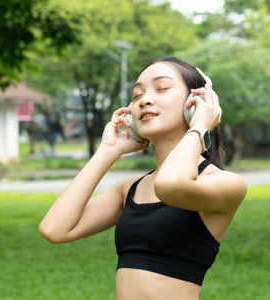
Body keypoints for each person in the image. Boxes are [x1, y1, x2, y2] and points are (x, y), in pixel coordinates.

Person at [39, 57, 247, 300]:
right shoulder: (129, 189)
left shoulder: (227, 184)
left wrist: (200, 127)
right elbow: (54, 229)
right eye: (137, 94)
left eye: (162, 88)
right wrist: (109, 150)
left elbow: (169, 186)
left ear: (196, 104)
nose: (145, 100)